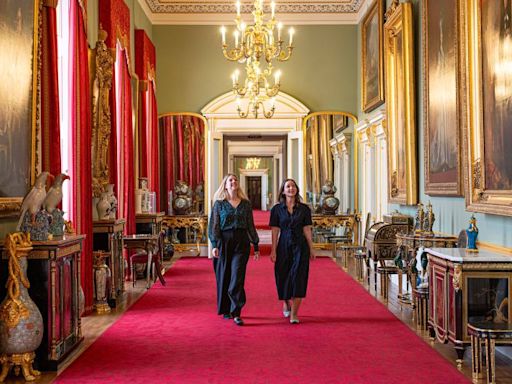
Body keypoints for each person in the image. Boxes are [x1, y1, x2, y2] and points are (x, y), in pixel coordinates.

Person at [208, 174, 259, 326]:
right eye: (230, 180)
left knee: (237, 276)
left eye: (235, 180)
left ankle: (236, 311)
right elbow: (214, 225)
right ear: (225, 185)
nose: (233, 182)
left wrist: (255, 245)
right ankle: (226, 309)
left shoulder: (246, 204)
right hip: (224, 241)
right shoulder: (219, 204)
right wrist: (215, 244)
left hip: (241, 242)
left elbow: (250, 225)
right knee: (224, 275)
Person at [269, 179, 315, 324]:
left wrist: (312, 248)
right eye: (288, 186)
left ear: (297, 189)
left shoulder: (304, 209)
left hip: (300, 246)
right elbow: (275, 230)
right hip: (283, 246)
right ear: (283, 191)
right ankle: (286, 301)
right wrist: (273, 250)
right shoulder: (276, 209)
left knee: (298, 277)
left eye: (293, 186)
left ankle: (294, 313)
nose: (291, 188)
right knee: (282, 276)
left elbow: (307, 229)